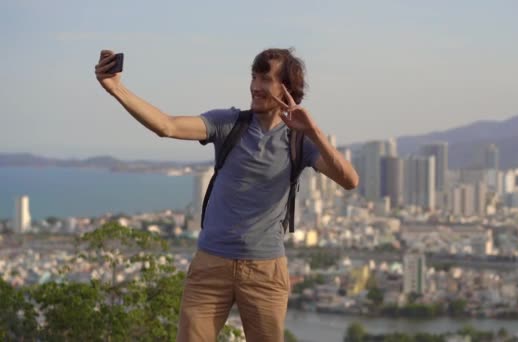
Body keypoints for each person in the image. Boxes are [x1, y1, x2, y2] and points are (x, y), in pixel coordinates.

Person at [95, 48, 359, 342]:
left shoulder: (299, 141)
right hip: (210, 264)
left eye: (266, 79)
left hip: (265, 270)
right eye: (254, 77)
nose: (256, 86)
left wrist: (314, 131)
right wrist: (116, 88)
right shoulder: (229, 123)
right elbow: (166, 126)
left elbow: (349, 180)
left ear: (288, 88)